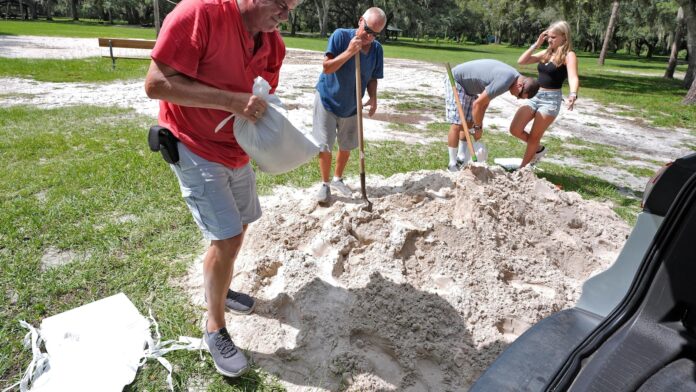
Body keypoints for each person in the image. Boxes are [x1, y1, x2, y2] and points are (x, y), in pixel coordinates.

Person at [144, 0, 298, 378]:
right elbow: (156, 84)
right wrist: (230, 101)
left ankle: (221, 288)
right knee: (226, 238)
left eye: (293, 6)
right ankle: (214, 327)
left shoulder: (273, 43)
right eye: (281, 3)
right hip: (193, 144)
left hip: (236, 150)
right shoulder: (199, 14)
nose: (286, 14)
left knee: (242, 224)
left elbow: (261, 95)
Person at [313, 7, 386, 203]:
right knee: (325, 144)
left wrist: (373, 97)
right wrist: (349, 52)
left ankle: (338, 179)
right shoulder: (340, 36)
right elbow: (327, 68)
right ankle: (325, 185)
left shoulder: (377, 49)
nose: (370, 37)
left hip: (353, 104)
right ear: (361, 21)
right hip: (327, 99)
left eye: (375, 34)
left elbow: (372, 78)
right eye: (368, 31)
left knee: (346, 144)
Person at [445, 59, 539, 172]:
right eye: (519, 95)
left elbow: (484, 103)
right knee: (457, 124)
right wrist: (478, 127)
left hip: (469, 88)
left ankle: (461, 157)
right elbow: (477, 104)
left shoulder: (511, 79)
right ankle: (452, 164)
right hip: (457, 81)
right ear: (519, 86)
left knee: (469, 122)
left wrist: (478, 125)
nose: (517, 97)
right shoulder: (505, 81)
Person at [510, 21, 579, 167]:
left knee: (534, 137)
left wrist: (573, 94)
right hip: (535, 96)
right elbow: (521, 61)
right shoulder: (546, 53)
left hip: (551, 100)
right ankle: (538, 149)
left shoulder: (568, 55)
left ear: (564, 37)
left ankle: (523, 170)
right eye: (548, 37)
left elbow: (573, 77)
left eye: (553, 37)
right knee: (515, 129)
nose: (549, 40)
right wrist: (536, 44)